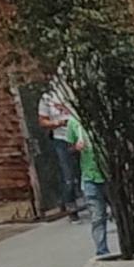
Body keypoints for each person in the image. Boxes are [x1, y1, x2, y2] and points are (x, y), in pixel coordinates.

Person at [64, 110, 112, 260]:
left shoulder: (103, 116)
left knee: (121, 214)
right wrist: (76, 148)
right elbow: (69, 148)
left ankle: (130, 246)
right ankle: (102, 252)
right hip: (90, 175)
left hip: (110, 174)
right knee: (97, 217)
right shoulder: (74, 123)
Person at [36, 83, 81, 219]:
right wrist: (57, 123)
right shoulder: (47, 97)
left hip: (80, 135)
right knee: (69, 176)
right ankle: (71, 207)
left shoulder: (75, 89)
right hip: (61, 138)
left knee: (91, 171)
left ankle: (102, 203)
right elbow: (42, 121)